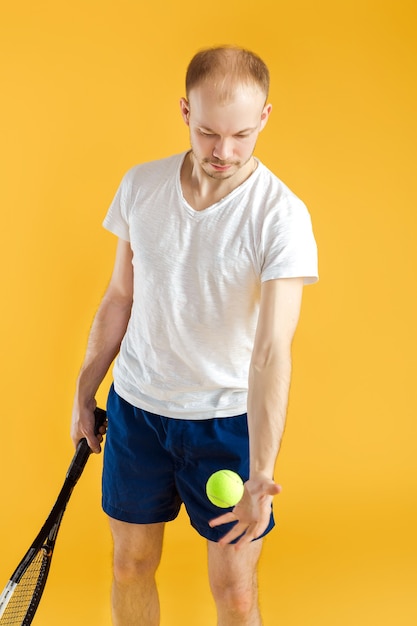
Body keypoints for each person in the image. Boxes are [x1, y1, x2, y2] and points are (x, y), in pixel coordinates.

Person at [71, 45, 318, 626]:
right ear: (185, 111)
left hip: (227, 422)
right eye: (207, 132)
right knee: (129, 567)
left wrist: (261, 470)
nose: (223, 152)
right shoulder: (141, 186)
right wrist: (85, 388)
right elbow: (119, 297)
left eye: (239, 135)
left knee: (233, 591)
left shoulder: (280, 216)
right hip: (138, 412)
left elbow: (270, 351)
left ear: (264, 118)